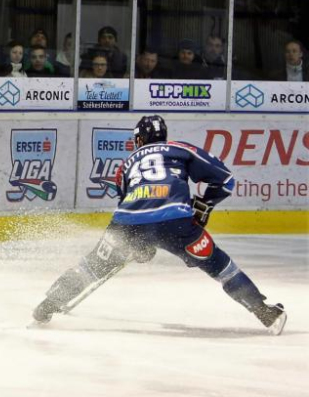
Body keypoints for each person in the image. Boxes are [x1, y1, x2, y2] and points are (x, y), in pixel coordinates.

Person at [33, 115, 287, 336]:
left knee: (91, 267)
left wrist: (142, 246)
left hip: (126, 225)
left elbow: (131, 206)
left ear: (139, 140)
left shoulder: (126, 164)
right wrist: (204, 204)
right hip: (177, 224)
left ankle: (46, 306)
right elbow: (226, 182)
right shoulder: (180, 149)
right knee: (222, 268)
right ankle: (265, 313)